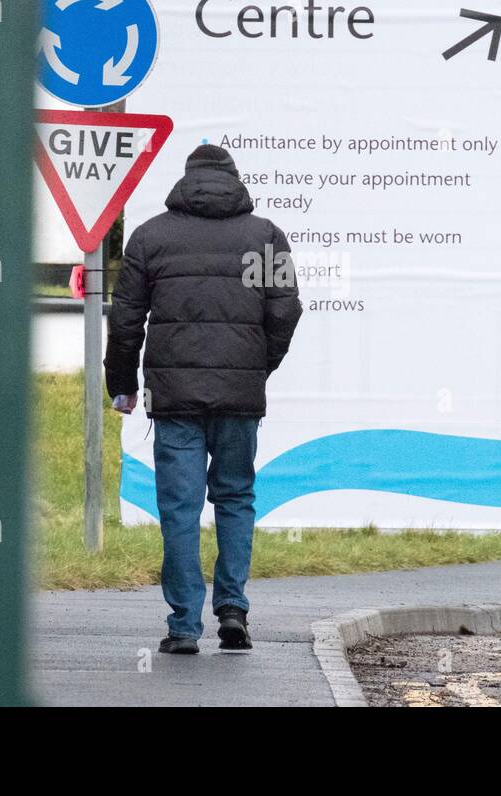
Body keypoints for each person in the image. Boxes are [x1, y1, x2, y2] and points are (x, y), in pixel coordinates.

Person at [105, 143, 303, 654]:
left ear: (186, 181)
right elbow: (286, 311)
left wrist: (121, 385)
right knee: (235, 498)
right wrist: (259, 367)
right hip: (239, 396)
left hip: (175, 399)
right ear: (234, 181)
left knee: (180, 506)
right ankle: (233, 610)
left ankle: (183, 625)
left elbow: (125, 320)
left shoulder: (150, 237)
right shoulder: (265, 237)